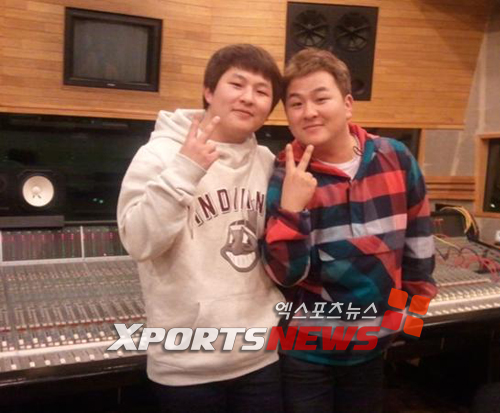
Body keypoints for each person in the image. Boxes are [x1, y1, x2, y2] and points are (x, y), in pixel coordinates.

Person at [262, 48, 438, 413]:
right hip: (304, 352)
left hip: (374, 349)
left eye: (320, 98)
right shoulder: (285, 174)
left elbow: (419, 247)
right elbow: (285, 274)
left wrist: (409, 319)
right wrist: (292, 209)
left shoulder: (396, 157)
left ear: (347, 104)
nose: (309, 112)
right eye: (296, 103)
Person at [117, 44, 285, 413]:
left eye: (261, 91)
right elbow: (139, 242)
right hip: (185, 368)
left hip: (260, 358)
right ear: (209, 91)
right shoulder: (160, 155)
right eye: (237, 84)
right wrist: (185, 169)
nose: (248, 97)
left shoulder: (267, 162)